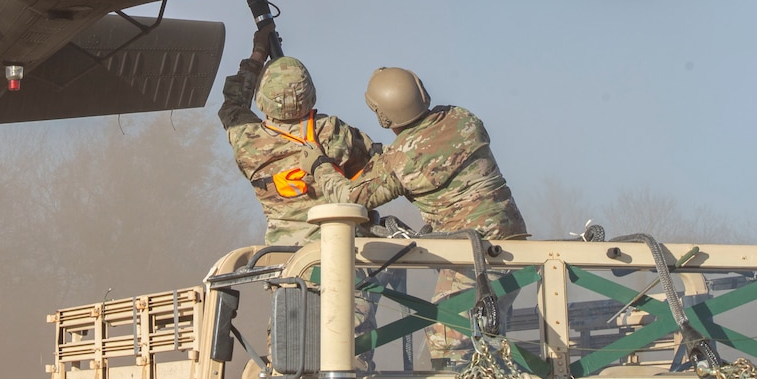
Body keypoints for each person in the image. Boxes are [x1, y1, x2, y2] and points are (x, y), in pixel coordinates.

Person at [300, 67, 528, 241]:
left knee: (450, 305)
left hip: (471, 249)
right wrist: (384, 156)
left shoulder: (401, 159)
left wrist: (319, 165)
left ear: (383, 116)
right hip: (513, 234)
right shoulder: (462, 118)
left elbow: (348, 199)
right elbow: (432, 149)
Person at [218, 30, 375, 245]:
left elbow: (233, 103)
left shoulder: (248, 141)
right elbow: (373, 165)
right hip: (345, 250)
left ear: (262, 98)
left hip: (286, 259)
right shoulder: (335, 130)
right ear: (310, 92)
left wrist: (258, 53)